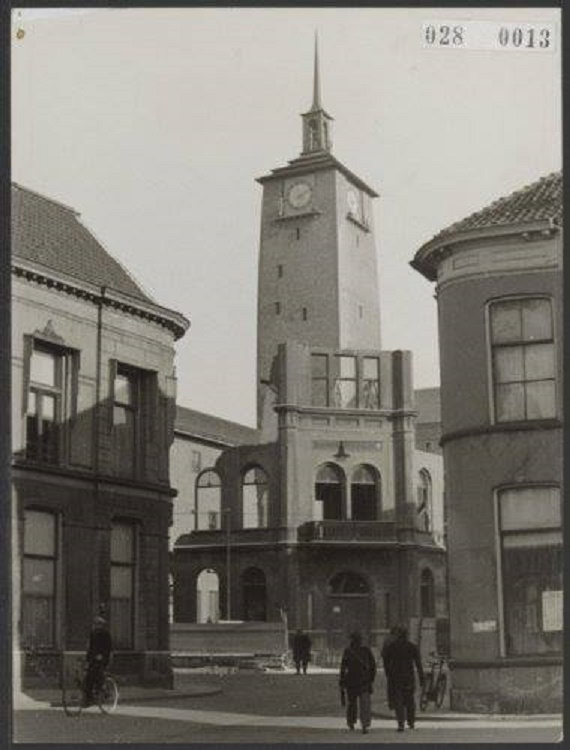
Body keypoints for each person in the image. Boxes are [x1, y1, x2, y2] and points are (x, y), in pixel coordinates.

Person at [382, 625, 424, 732]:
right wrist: (421, 678)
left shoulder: (392, 646)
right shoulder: (412, 647)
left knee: (398, 701)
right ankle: (411, 722)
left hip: (395, 677)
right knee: (410, 700)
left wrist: (388, 673)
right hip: (408, 677)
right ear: (407, 635)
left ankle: (401, 723)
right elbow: (418, 664)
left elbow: (386, 661)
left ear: (399, 635)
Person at [339, 631, 377, 734]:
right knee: (365, 704)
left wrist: (342, 681)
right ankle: (365, 725)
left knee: (352, 703)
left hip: (351, 681)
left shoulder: (348, 651)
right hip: (364, 681)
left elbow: (343, 668)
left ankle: (351, 722)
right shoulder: (366, 651)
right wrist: (371, 678)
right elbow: (373, 666)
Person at [84, 616, 113, 705]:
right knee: (87, 678)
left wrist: (102, 656)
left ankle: (102, 690)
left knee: (96, 675)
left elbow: (108, 647)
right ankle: (89, 698)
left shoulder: (105, 634)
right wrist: (87, 659)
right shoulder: (93, 633)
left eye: (97, 624)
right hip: (93, 659)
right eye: (95, 624)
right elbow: (91, 647)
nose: (96, 626)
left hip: (102, 659)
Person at [381, 625, 400, 710]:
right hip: (397, 666)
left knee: (390, 685)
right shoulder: (397, 640)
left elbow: (383, 654)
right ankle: (396, 702)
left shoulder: (387, 640)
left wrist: (386, 667)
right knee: (397, 685)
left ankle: (391, 703)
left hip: (389, 666)